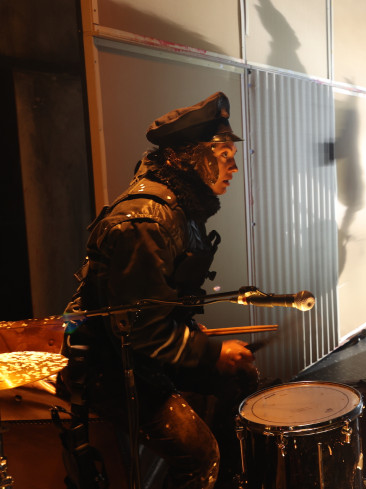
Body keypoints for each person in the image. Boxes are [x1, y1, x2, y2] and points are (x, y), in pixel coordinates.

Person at [59, 92, 258, 489]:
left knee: (242, 378)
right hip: (111, 366)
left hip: (143, 353)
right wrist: (213, 352)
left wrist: (199, 340)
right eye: (222, 152)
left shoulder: (182, 204)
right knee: (200, 456)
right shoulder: (146, 220)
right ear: (191, 156)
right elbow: (140, 330)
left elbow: (164, 305)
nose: (234, 165)